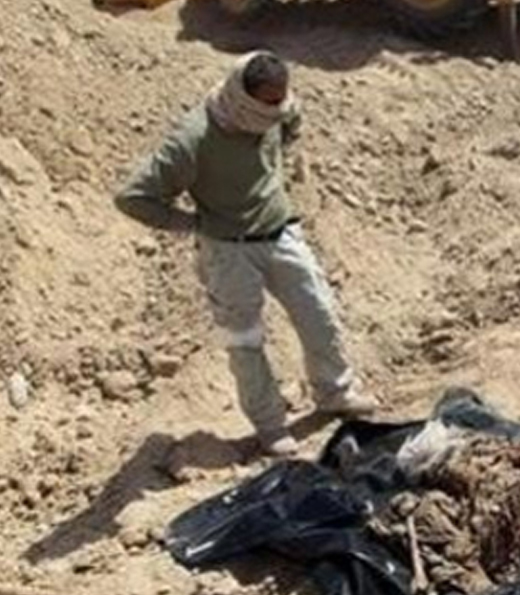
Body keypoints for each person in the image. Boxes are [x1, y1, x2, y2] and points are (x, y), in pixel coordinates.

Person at [114, 53, 376, 457]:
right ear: (244, 97)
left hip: (281, 234)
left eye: (282, 99)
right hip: (229, 252)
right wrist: (195, 223)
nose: (278, 109)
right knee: (245, 342)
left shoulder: (278, 112)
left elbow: (290, 125)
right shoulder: (193, 140)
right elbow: (133, 197)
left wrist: (274, 171)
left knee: (319, 314)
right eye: (269, 102)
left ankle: (335, 393)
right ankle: (270, 426)